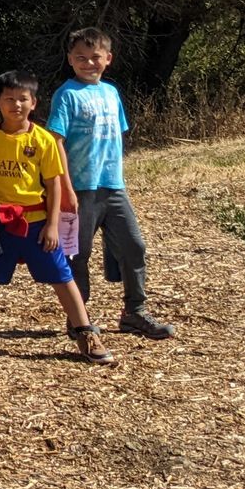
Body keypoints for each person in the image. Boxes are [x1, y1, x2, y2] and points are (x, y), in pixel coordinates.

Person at [46, 28, 176, 341]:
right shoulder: (67, 94)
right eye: (80, 58)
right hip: (80, 190)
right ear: (70, 60)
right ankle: (80, 320)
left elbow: (118, 135)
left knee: (133, 246)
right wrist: (65, 187)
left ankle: (135, 311)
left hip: (113, 186)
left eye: (95, 57)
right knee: (78, 255)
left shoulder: (111, 93)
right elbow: (55, 141)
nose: (88, 63)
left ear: (108, 58)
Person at [0, 69, 116, 364]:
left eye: (22, 99)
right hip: (0, 222)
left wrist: (52, 225)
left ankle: (85, 332)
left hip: (37, 221)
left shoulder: (43, 140)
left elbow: (53, 183)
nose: (16, 105)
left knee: (62, 275)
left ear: (34, 103)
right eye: (9, 99)